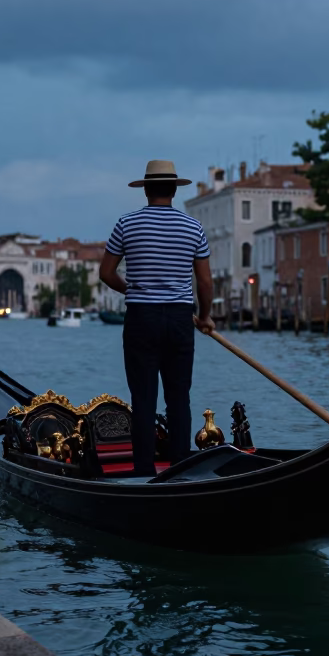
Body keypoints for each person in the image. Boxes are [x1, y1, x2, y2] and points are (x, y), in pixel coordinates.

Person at [99, 159, 215, 477]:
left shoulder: (126, 224)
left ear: (146, 189)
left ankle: (143, 472)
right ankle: (180, 469)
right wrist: (204, 317)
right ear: (174, 191)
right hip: (180, 319)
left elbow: (106, 273)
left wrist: (132, 290)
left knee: (144, 397)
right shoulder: (194, 228)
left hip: (141, 318)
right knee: (179, 397)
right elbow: (205, 283)